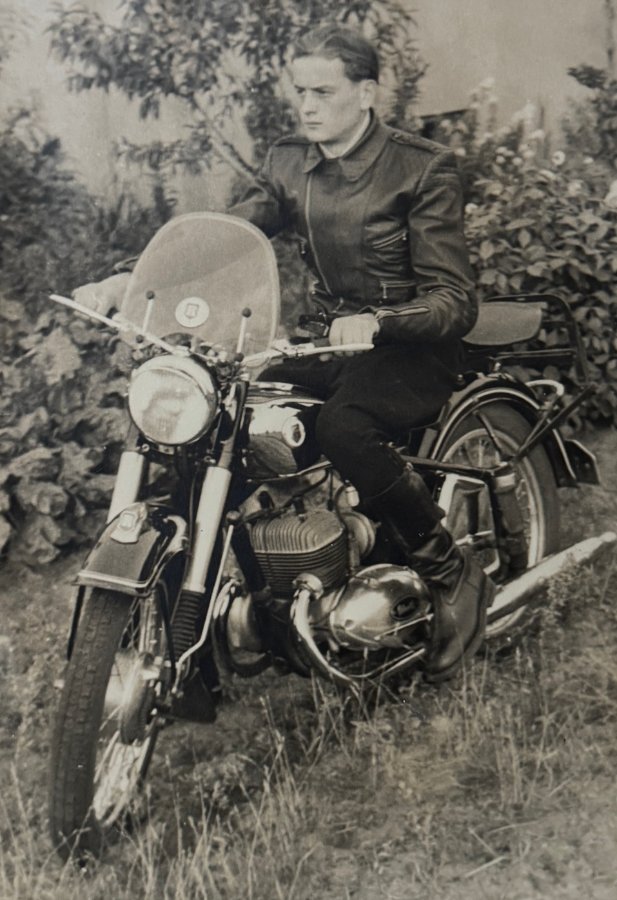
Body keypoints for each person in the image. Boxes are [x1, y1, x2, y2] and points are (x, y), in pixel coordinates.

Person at [75, 24, 494, 682]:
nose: (305, 104)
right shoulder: (289, 162)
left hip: (411, 346)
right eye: (299, 91)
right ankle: (221, 613)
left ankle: (449, 567)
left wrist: (379, 321)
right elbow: (224, 237)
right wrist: (130, 282)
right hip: (324, 341)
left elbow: (453, 300)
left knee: (343, 427)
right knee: (224, 415)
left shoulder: (421, 167)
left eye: (322, 92)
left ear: (365, 93)